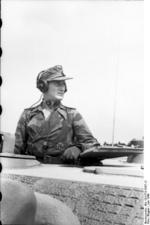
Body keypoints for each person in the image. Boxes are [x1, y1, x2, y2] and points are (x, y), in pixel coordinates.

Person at [14, 65, 100, 164]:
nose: (62, 88)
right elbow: (17, 151)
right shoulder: (28, 115)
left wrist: (79, 148)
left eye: (64, 84)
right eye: (58, 84)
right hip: (32, 171)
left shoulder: (72, 115)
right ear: (44, 86)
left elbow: (93, 145)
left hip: (62, 172)